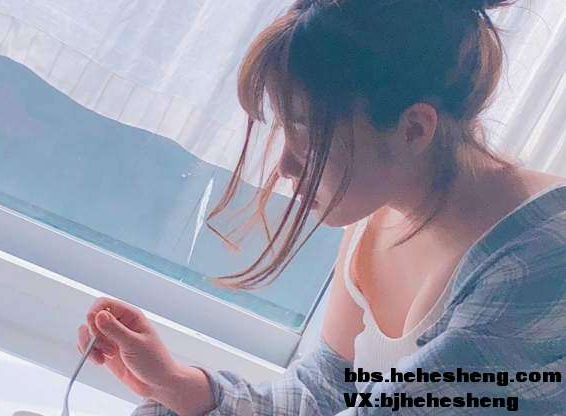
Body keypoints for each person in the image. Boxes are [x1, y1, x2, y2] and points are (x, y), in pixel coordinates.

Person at [77, 0, 566, 414]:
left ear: (414, 129)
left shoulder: (543, 259)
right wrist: (180, 386)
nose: (286, 164)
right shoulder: (380, 213)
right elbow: (325, 392)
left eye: (309, 134)